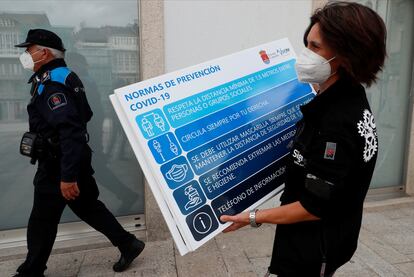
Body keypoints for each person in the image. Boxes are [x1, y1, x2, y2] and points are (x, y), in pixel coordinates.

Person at [221, 2, 386, 277]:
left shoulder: (336, 123)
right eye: (307, 44)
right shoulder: (346, 96)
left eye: (316, 47)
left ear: (347, 55)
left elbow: (314, 206)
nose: (305, 55)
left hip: (313, 249)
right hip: (329, 237)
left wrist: (251, 217)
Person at [14, 29, 145, 277]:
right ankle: (128, 244)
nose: (26, 55)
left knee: (42, 219)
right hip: (69, 158)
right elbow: (86, 116)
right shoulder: (64, 76)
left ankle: (32, 271)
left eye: (29, 50)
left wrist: (67, 176)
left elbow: (70, 130)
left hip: (60, 163)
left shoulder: (52, 83)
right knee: (87, 207)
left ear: (43, 53)